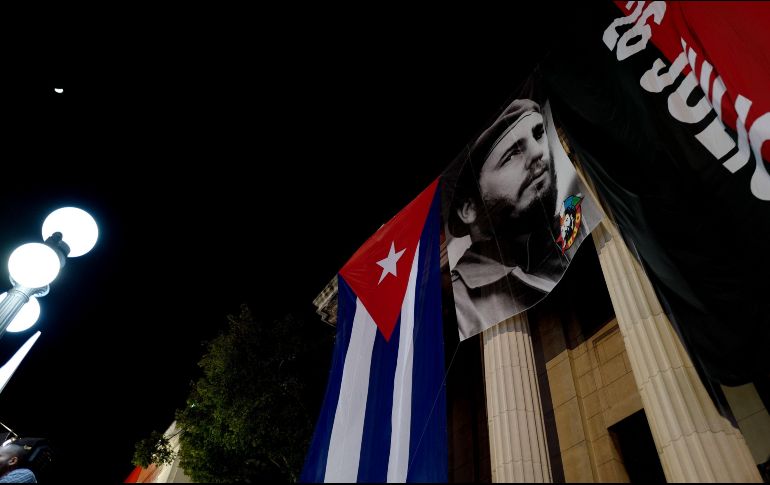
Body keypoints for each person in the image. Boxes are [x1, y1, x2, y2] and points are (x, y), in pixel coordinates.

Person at [447, 97, 584, 339]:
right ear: (468, 208)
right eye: (511, 155)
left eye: (539, 133)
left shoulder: (577, 222)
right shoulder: (463, 304)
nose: (538, 152)